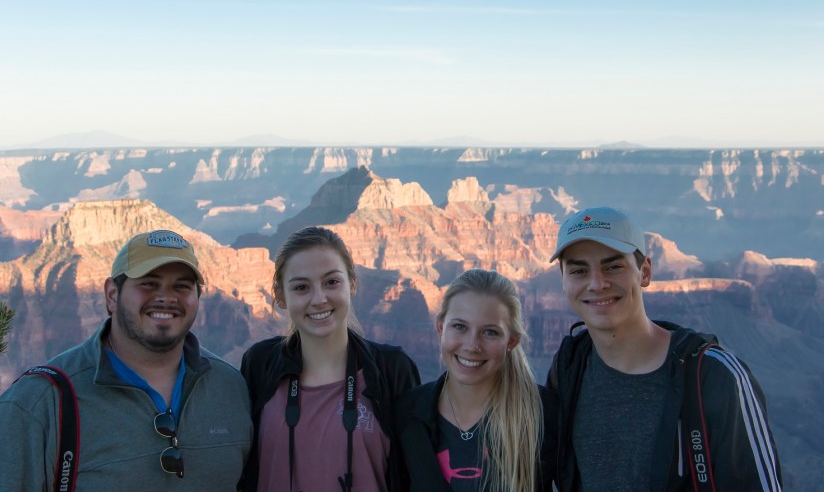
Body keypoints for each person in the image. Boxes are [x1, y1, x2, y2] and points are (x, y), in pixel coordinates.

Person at [0, 229, 253, 490]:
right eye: (148, 283)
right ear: (112, 294)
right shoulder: (38, 403)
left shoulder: (230, 387)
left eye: (181, 286)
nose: (166, 297)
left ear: (197, 297)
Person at [545, 206, 783, 491]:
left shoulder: (715, 375)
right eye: (579, 270)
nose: (597, 283)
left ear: (644, 272)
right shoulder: (570, 366)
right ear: (564, 280)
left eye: (613, 266)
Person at [239, 226, 421, 492]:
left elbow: (416, 473)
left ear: (352, 284)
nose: (319, 299)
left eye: (331, 282)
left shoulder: (391, 370)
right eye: (301, 287)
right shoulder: (259, 365)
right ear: (280, 297)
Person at [394, 268, 550, 491]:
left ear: (511, 342)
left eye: (490, 332)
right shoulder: (407, 415)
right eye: (460, 327)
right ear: (440, 327)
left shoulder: (544, 415)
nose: (472, 346)